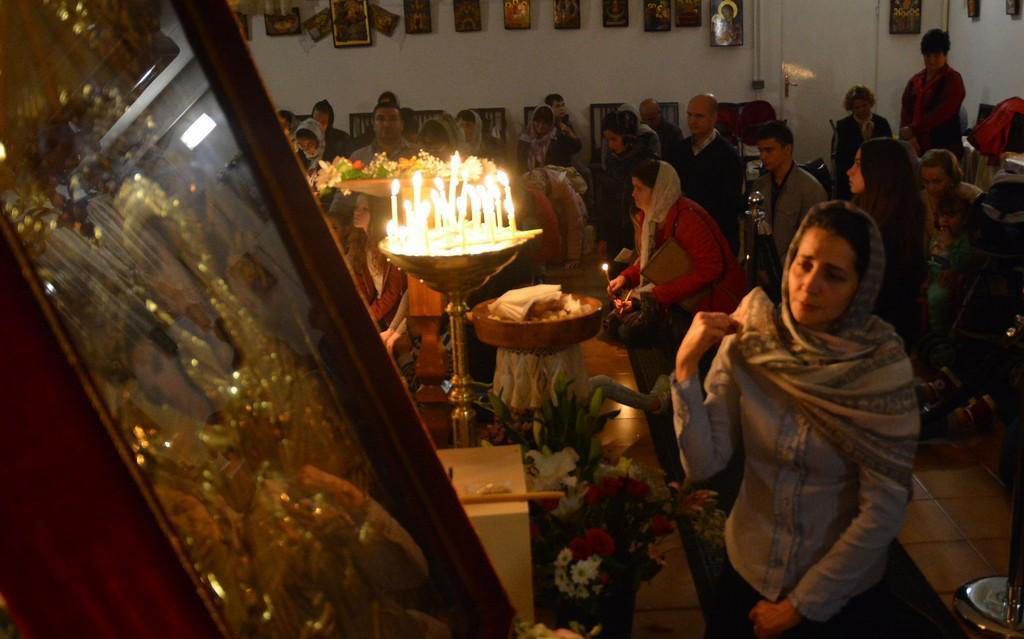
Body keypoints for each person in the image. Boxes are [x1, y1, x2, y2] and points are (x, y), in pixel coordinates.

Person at [673, 201, 921, 638]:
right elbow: (703, 464)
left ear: (861, 289)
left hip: (839, 593)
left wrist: (800, 606)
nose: (809, 285)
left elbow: (882, 510)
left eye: (834, 275)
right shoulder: (752, 337)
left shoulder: (878, 374)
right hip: (748, 566)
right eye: (804, 264)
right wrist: (685, 367)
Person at [604, 160, 746, 347]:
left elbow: (710, 269)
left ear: (658, 190)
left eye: (639, 188)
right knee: (614, 320)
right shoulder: (653, 215)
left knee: (628, 331)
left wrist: (655, 296)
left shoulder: (688, 218)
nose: (633, 194)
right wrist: (625, 278)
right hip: (674, 294)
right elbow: (655, 262)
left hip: (707, 300)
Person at [848, 137, 928, 350]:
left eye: (858, 164)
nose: (849, 171)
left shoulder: (891, 231)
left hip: (880, 336)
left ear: (879, 171)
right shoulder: (865, 215)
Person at [669, 94, 745, 253]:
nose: (692, 121)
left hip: (715, 235)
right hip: (684, 233)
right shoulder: (679, 150)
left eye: (699, 116)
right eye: (689, 115)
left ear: (714, 118)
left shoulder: (728, 156)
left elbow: (730, 205)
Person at [751, 121, 828, 268]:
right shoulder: (760, 185)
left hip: (794, 268)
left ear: (787, 150)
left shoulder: (810, 189)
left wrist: (780, 268)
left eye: (769, 150)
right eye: (760, 151)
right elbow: (752, 233)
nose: (763, 156)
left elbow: (810, 239)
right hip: (762, 267)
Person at [347, 195, 409, 355]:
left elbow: (394, 291)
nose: (357, 213)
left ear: (376, 213)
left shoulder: (388, 244)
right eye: (356, 208)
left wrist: (369, 317)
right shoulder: (360, 245)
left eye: (364, 209)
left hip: (398, 313)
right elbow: (361, 288)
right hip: (380, 312)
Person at [596, 110, 658, 264]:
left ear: (627, 137)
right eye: (607, 140)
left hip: (638, 228)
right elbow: (606, 200)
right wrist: (603, 236)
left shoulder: (646, 162)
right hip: (615, 228)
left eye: (614, 139)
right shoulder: (612, 160)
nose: (610, 145)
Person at [899, 29, 966, 156]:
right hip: (915, 143)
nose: (931, 60)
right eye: (927, 56)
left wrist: (913, 129)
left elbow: (942, 113)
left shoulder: (953, 79)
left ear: (945, 55)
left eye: (936, 55)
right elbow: (906, 109)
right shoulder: (916, 80)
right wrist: (909, 137)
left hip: (944, 145)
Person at [834, 86, 893, 200]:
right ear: (851, 108)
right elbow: (840, 158)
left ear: (870, 103)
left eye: (864, 105)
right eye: (857, 107)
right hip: (851, 179)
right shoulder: (843, 126)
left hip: (878, 177)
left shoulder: (881, 123)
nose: (861, 110)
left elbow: (888, 151)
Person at [926, 195, 974, 333]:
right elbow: (929, 258)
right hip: (932, 276)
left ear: (964, 220)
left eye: (951, 215)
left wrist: (950, 245)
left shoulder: (964, 240)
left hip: (948, 279)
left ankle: (939, 332)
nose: (945, 219)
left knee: (937, 297)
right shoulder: (936, 237)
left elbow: (964, 262)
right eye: (942, 215)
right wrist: (927, 277)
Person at [919, 148, 983, 232]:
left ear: (952, 178)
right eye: (926, 181)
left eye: (937, 181)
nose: (931, 188)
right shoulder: (920, 199)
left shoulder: (970, 194)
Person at [517, 104, 582, 174]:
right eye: (537, 122)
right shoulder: (525, 140)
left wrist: (571, 134)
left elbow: (576, 148)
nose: (540, 126)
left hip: (554, 176)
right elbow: (521, 164)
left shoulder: (557, 138)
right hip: (530, 176)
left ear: (551, 123)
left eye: (545, 123)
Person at [351, 103, 420, 165]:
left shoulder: (418, 155)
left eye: (392, 119)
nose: (386, 124)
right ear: (373, 125)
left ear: (402, 124)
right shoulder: (359, 158)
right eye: (381, 119)